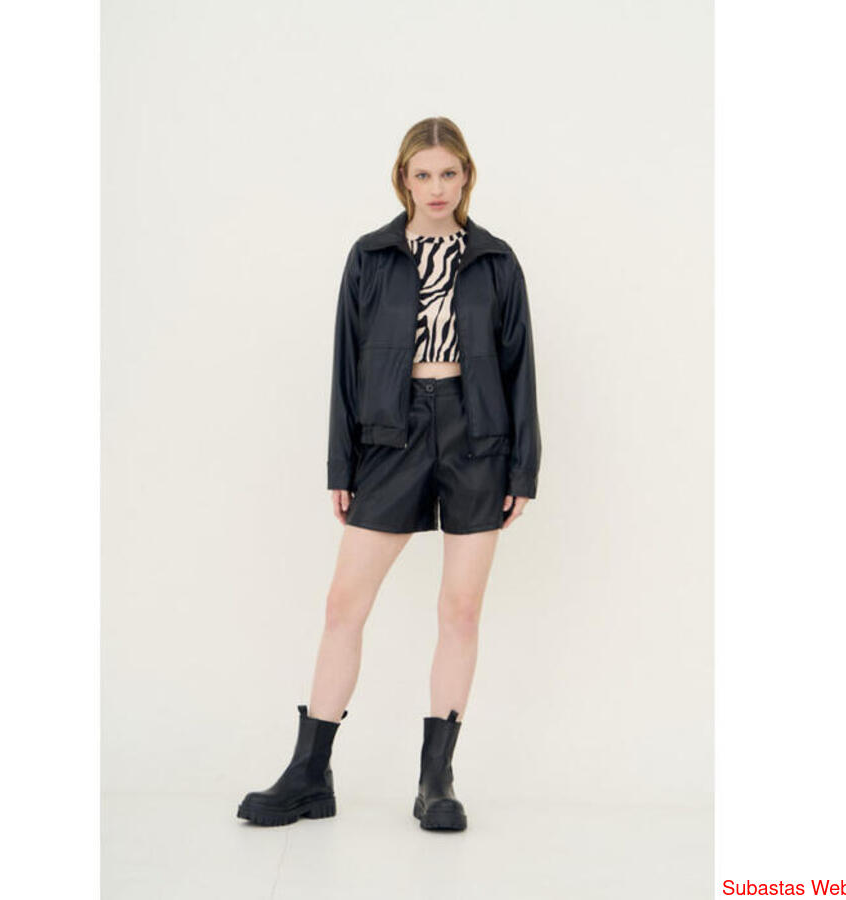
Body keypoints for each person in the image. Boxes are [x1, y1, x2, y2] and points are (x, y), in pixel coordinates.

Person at [237, 116, 541, 831]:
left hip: (477, 435)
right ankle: (310, 773)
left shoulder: (496, 261)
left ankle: (436, 781)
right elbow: (345, 362)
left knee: (460, 611)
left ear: (467, 177)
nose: (437, 187)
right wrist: (341, 461)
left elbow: (520, 367)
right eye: (423, 174)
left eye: (449, 173)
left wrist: (522, 468)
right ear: (403, 178)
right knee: (344, 605)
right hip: (389, 435)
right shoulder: (371, 256)